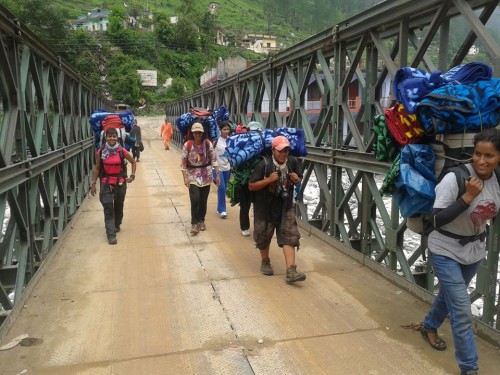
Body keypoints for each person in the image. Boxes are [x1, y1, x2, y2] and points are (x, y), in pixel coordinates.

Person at [420, 128, 500, 375]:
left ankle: (429, 326)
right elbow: (436, 220)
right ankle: (469, 368)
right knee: (462, 311)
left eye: (489, 156)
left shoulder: (497, 180)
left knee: (450, 296)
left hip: (473, 249)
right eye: (477, 154)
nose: (482, 161)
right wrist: (467, 197)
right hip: (445, 248)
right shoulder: (454, 178)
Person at [248, 135, 306, 283]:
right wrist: (268, 180)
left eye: (286, 150)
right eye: (280, 151)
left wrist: (296, 180)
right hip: (264, 206)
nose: (283, 154)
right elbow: (251, 186)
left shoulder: (292, 162)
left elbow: (299, 179)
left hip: (285, 205)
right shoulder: (264, 164)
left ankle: (291, 271)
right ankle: (265, 262)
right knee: (263, 236)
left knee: (290, 235)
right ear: (273, 150)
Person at [90, 127, 137, 245]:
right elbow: (97, 168)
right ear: (105, 138)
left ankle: (117, 223)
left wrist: (132, 175)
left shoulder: (122, 151)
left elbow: (133, 162)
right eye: (109, 136)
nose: (112, 138)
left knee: (119, 204)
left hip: (120, 181)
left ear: (117, 137)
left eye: (114, 136)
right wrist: (93, 183)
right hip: (106, 182)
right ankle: (111, 234)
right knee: (108, 207)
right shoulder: (101, 152)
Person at [181, 123, 221, 234]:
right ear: (192, 133)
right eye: (195, 132)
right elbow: (183, 163)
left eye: (199, 132)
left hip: (206, 175)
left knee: (203, 201)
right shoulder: (187, 145)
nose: (197, 134)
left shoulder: (207, 144)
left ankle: (201, 220)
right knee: (195, 200)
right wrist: (185, 178)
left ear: (203, 133)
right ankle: (194, 223)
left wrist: (217, 174)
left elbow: (214, 159)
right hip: (192, 175)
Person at [213, 121, 232, 218]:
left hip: (227, 168)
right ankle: (222, 210)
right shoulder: (216, 142)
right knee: (222, 188)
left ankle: (218, 207)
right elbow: (212, 155)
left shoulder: (231, 140)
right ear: (220, 130)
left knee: (223, 189)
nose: (226, 131)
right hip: (217, 168)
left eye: (228, 129)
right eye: (224, 129)